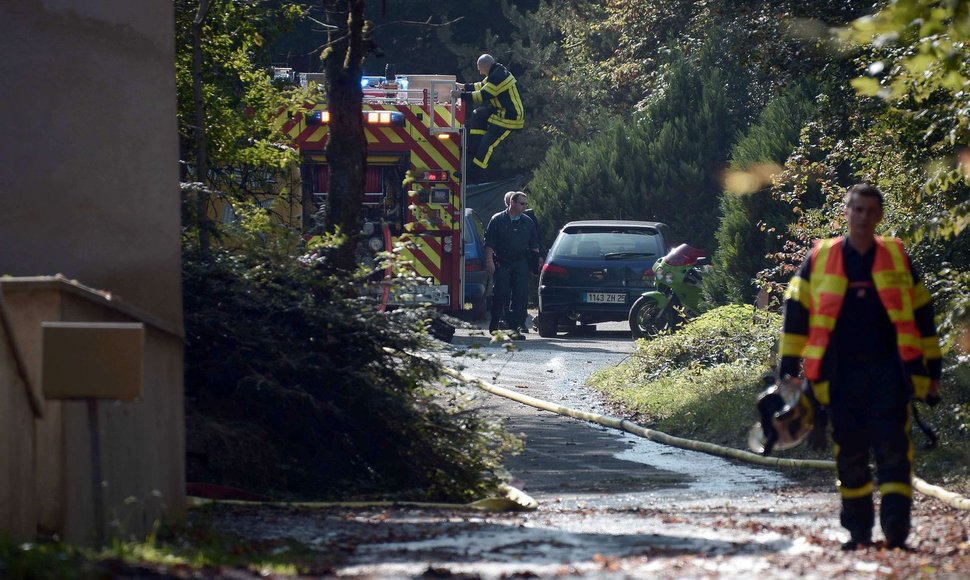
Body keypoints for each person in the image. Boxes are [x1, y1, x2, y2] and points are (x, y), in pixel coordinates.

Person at [777, 183, 942, 551]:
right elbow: (796, 312)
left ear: (879, 216)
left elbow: (923, 315)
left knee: (893, 449)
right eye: (857, 209)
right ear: (846, 213)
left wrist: (933, 373)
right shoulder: (821, 257)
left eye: (871, 211)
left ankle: (897, 529)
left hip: (890, 373)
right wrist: (787, 368)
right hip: (839, 375)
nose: (864, 217)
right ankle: (859, 531)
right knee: (849, 451)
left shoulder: (897, 256)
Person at [451, 54, 524, 183]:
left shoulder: (498, 77)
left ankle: (473, 176)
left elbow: (482, 95)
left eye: (479, 68)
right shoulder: (495, 72)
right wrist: (463, 86)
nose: (479, 72)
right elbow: (481, 86)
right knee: (477, 114)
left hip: (510, 118)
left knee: (486, 146)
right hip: (500, 111)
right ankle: (473, 147)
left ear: (485, 65)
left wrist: (460, 95)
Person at [485, 191, 539, 339]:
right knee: (501, 294)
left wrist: (535, 266)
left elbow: (534, 246)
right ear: (512, 203)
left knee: (520, 296)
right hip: (502, 261)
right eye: (522, 203)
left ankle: (514, 329)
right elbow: (489, 243)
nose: (525, 206)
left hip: (520, 263)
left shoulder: (528, 222)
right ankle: (495, 324)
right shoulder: (497, 220)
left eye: (526, 204)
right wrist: (490, 261)